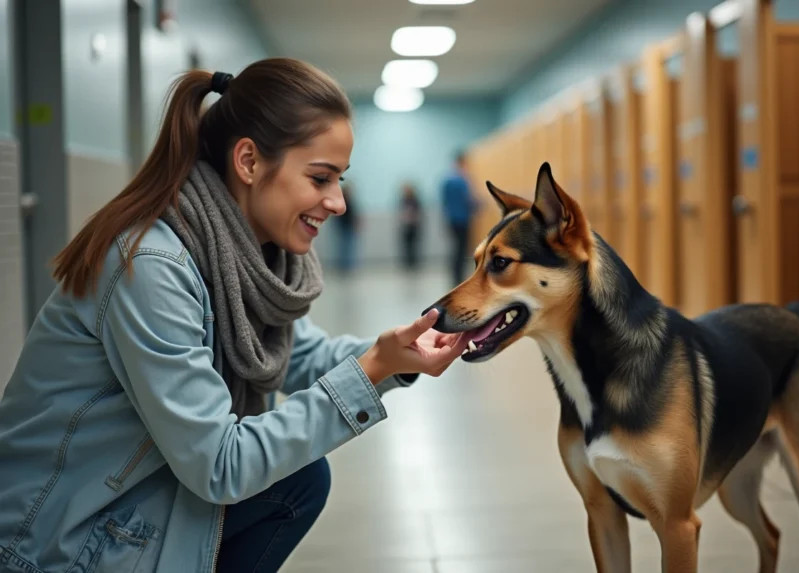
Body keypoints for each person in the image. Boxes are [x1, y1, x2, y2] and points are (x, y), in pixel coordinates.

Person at [0, 59, 467, 573]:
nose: (336, 202)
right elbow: (220, 466)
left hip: (128, 508)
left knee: (299, 482)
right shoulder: (152, 266)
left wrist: (396, 358)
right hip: (54, 547)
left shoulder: (237, 253)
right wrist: (371, 368)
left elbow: (295, 351)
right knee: (290, 482)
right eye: (320, 178)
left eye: (340, 180)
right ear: (248, 161)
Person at [440, 151, 478, 286]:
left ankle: (454, 277)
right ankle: (459, 277)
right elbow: (470, 200)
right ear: (462, 162)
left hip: (451, 219)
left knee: (455, 248)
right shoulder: (463, 179)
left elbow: (444, 202)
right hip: (463, 219)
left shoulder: (446, 180)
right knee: (462, 249)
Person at [333, 182, 360, 273]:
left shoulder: (351, 201)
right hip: (344, 226)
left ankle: (349, 266)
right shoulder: (342, 201)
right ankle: (344, 266)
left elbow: (354, 215)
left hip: (349, 227)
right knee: (344, 247)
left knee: (349, 247)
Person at [398, 182, 423, 271]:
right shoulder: (403, 200)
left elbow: (419, 213)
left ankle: (414, 262)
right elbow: (401, 212)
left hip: (414, 225)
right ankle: (407, 262)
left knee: (414, 245)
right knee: (406, 245)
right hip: (406, 225)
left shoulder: (415, 200)